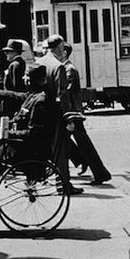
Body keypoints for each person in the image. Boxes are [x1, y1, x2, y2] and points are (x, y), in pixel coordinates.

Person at [0, 64, 59, 207]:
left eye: (26, 76)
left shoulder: (40, 101)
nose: (23, 78)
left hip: (25, 151)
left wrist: (4, 133)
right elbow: (13, 95)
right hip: (19, 145)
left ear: (30, 80)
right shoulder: (33, 95)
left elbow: (33, 134)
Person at [37, 34, 82, 195]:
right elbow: (62, 95)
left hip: (41, 113)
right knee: (61, 151)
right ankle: (63, 184)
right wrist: (68, 117)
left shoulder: (39, 62)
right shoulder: (58, 66)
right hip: (56, 115)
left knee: (46, 149)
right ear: (59, 47)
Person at [61, 42, 111, 185]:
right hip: (71, 112)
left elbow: (67, 91)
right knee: (70, 142)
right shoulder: (66, 68)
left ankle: (99, 172)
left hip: (73, 113)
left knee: (83, 144)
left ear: (64, 53)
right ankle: (88, 165)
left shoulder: (69, 69)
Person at [2, 39, 27, 117]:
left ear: (14, 52)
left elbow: (15, 85)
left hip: (13, 100)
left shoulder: (14, 65)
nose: (6, 54)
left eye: (8, 52)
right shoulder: (21, 62)